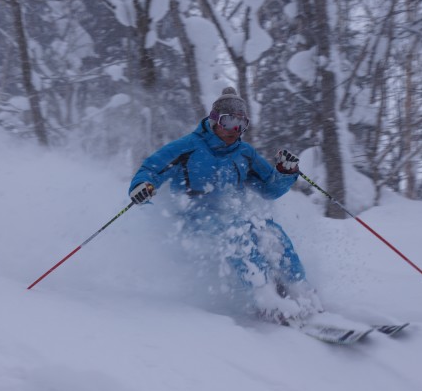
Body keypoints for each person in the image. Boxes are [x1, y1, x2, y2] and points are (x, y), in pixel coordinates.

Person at [128, 87, 322, 323]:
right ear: (214, 119)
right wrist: (143, 185)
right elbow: (151, 169)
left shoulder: (245, 153)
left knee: (271, 232)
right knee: (236, 234)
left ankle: (301, 292)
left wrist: (285, 173)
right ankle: (266, 299)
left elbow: (269, 190)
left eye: (242, 124)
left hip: (233, 216)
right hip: (192, 219)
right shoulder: (187, 147)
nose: (235, 129)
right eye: (229, 121)